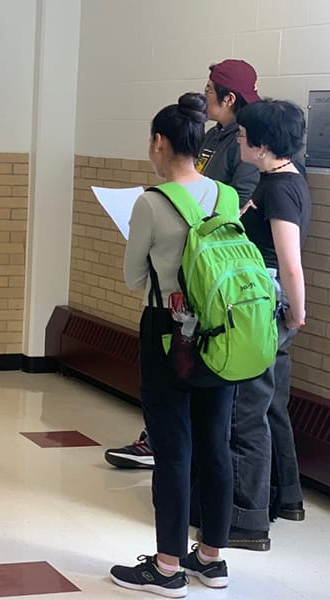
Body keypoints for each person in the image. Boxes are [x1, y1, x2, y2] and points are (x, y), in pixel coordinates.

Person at [105, 59, 261, 470]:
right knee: (208, 440)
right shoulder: (214, 140)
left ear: (160, 142)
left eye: (211, 90)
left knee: (194, 439)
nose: (204, 96)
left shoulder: (234, 154)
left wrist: (171, 231)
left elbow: (135, 276)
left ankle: (178, 507)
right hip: (201, 298)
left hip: (199, 300)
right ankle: (211, 534)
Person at [111, 93, 233, 597]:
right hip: (224, 334)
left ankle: (165, 567)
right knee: (215, 445)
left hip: (169, 332)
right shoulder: (226, 195)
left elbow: (132, 275)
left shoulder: (152, 201)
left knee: (173, 449)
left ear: (160, 143)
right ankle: (210, 558)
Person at [224, 99, 310, 551]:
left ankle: (247, 520)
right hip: (275, 303)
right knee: (273, 406)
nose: (237, 140)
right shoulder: (285, 178)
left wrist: (296, 311)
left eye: (241, 136)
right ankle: (287, 496)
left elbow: (290, 263)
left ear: (261, 143)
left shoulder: (277, 190)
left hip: (267, 306)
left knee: (246, 415)